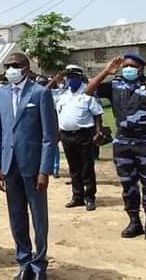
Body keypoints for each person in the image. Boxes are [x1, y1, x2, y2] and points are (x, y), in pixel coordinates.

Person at [86, 54, 146, 241]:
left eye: (131, 66)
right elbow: (88, 90)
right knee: (128, 184)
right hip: (123, 142)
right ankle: (134, 221)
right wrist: (106, 71)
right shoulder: (115, 85)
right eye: (125, 66)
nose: (127, 69)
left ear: (141, 68)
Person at [0, 53, 57, 280]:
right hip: (10, 167)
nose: (11, 69)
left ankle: (39, 264)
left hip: (33, 167)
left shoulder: (40, 93)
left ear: (26, 68)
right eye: (7, 66)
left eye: (15, 66)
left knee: (39, 217)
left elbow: (49, 136)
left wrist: (45, 170)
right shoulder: (0, 94)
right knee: (16, 215)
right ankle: (24, 262)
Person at [49, 65, 104, 211]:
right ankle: (77, 196)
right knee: (73, 168)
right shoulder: (62, 94)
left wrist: (98, 131)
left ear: (80, 78)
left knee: (87, 167)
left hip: (84, 134)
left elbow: (97, 113)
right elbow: (43, 93)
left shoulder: (87, 93)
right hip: (66, 135)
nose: (70, 80)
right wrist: (54, 81)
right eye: (68, 77)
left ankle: (89, 197)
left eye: (73, 77)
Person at [36, 75, 60, 179]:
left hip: (52, 121)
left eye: (43, 84)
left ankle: (54, 169)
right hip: (38, 123)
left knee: (53, 145)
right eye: (40, 84)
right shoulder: (35, 95)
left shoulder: (54, 95)